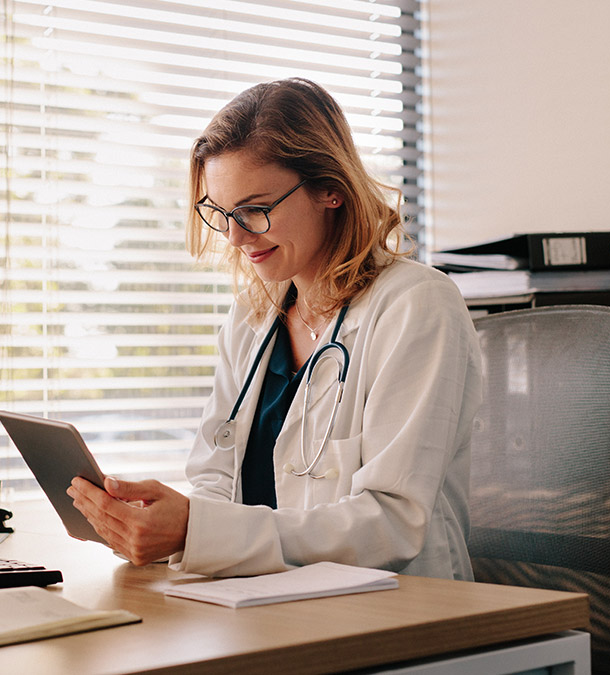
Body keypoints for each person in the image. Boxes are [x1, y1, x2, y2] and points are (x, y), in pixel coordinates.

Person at [68, 78, 483, 580]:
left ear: (331, 189)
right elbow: (215, 482)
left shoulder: (416, 305)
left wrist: (198, 532)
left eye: (254, 209)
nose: (235, 236)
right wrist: (162, 527)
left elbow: (392, 524)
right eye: (220, 213)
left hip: (395, 609)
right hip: (262, 600)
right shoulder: (253, 315)